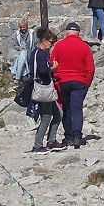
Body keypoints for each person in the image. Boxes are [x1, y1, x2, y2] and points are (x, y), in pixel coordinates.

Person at [49, 23, 95, 149]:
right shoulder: (85, 47)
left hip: (62, 81)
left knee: (66, 109)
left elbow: (52, 64)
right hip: (79, 82)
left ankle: (68, 136)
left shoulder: (59, 46)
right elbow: (90, 68)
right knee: (77, 109)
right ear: (78, 34)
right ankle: (77, 137)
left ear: (66, 33)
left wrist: (56, 80)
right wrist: (87, 84)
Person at [30, 27, 65, 155]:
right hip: (43, 89)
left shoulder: (36, 53)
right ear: (44, 41)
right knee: (46, 117)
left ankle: (51, 141)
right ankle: (38, 146)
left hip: (44, 88)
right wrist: (53, 69)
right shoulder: (41, 54)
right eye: (50, 42)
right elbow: (43, 70)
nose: (51, 45)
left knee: (58, 114)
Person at [12, 18, 36, 85]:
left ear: (27, 26)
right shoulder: (17, 34)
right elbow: (15, 45)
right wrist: (19, 48)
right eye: (21, 27)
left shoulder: (32, 33)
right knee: (25, 78)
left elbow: (35, 44)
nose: (22, 29)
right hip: (23, 59)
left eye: (24, 27)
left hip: (31, 56)